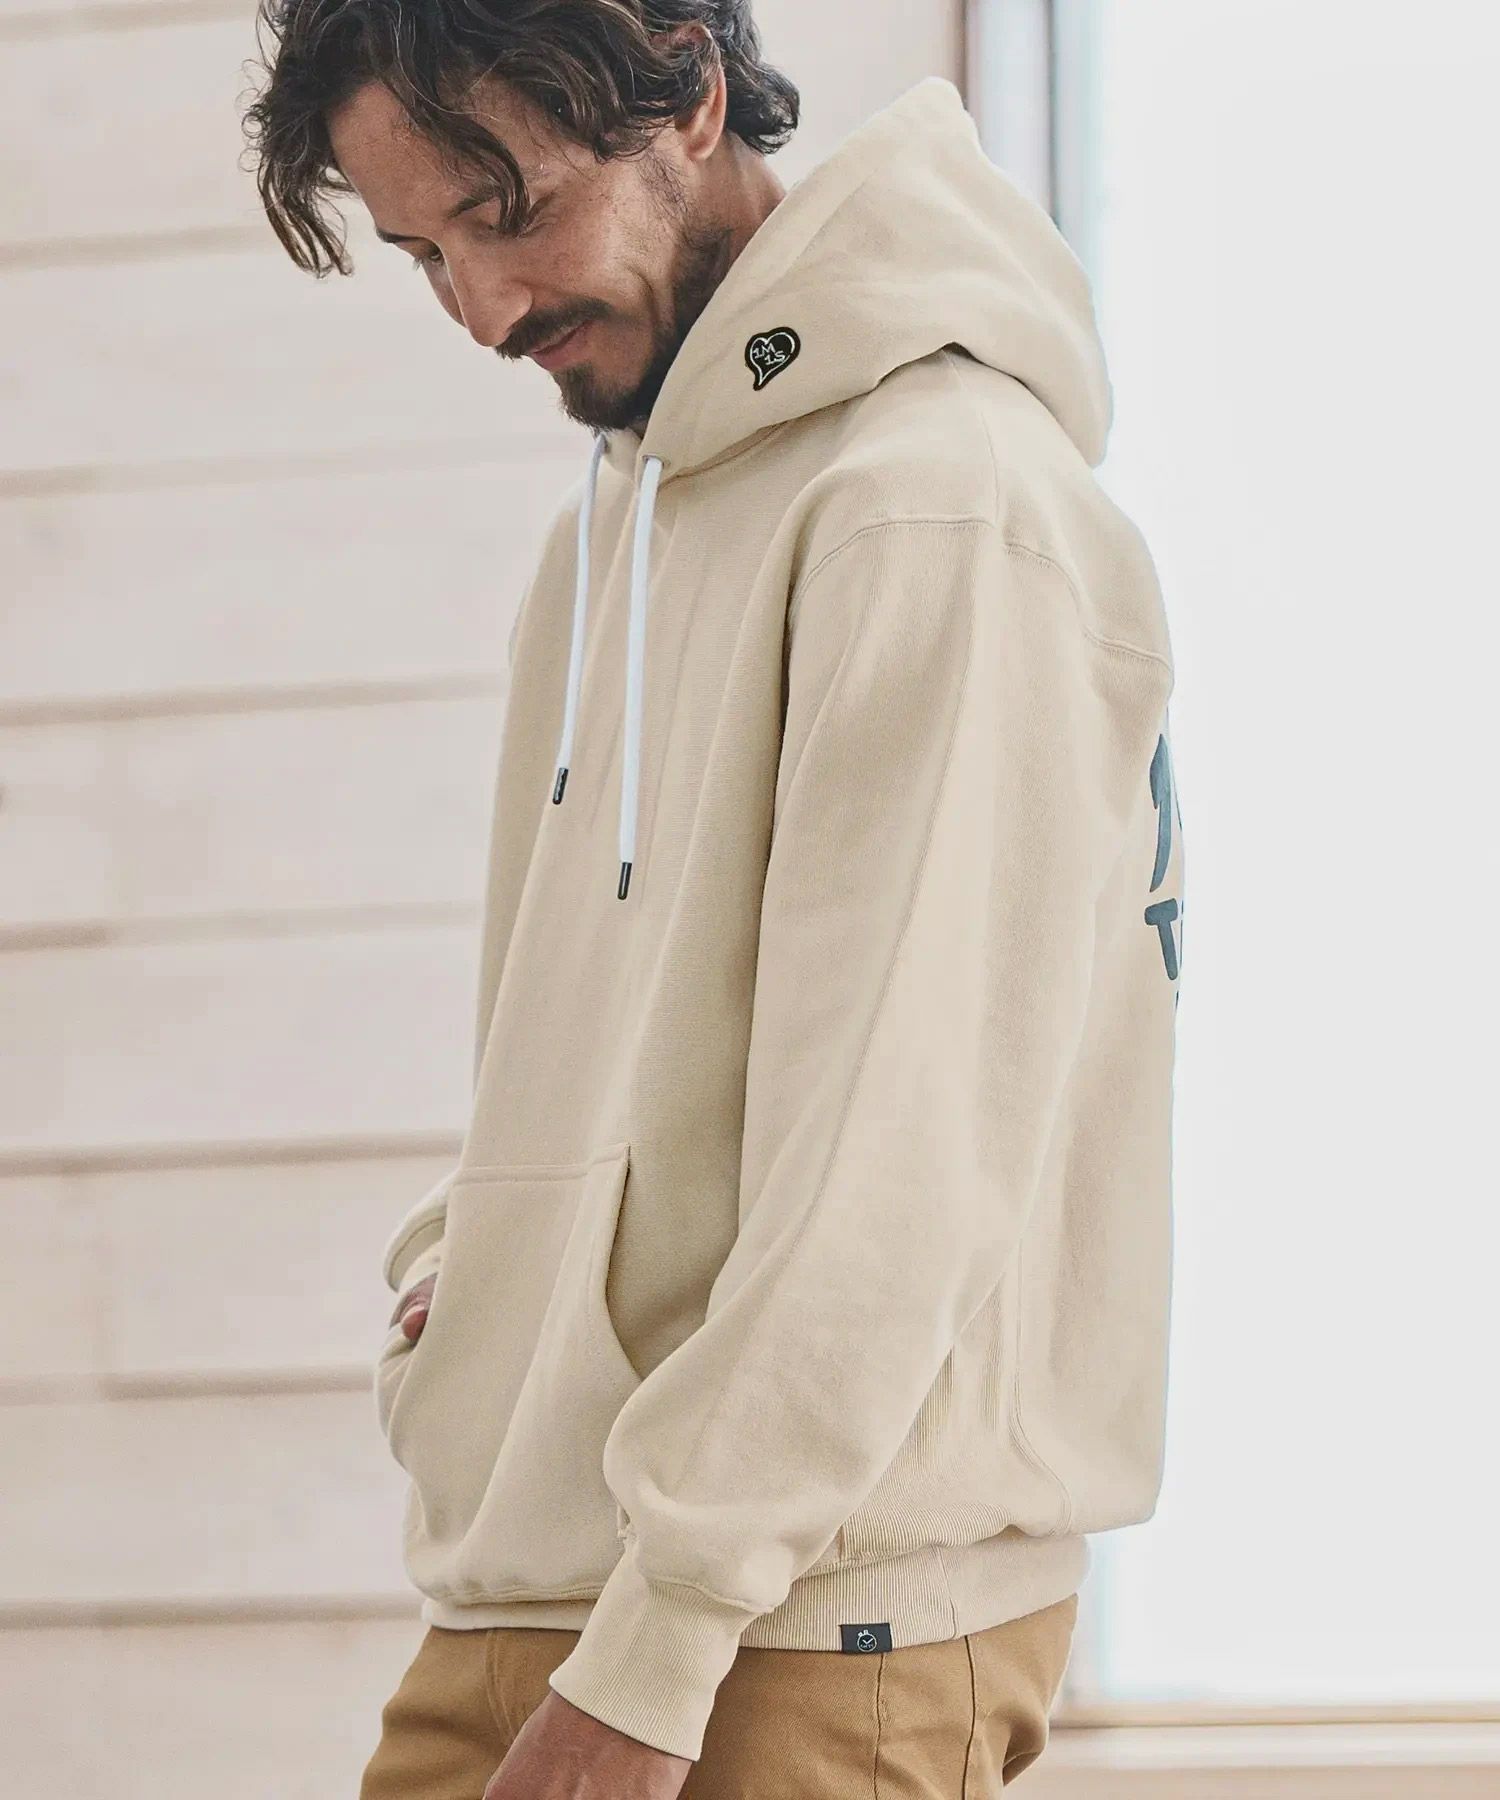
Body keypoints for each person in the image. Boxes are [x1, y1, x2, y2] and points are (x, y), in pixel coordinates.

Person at [243, 4, 1184, 1794]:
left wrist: (658, 1649)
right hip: (541, 1586)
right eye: (427, 254)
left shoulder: (936, 507)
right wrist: (474, 1261)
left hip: (801, 1625)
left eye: (511, 212)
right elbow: (581, 1047)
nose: (485, 312)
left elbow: (905, 1151)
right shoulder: (613, 525)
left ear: (684, 91)